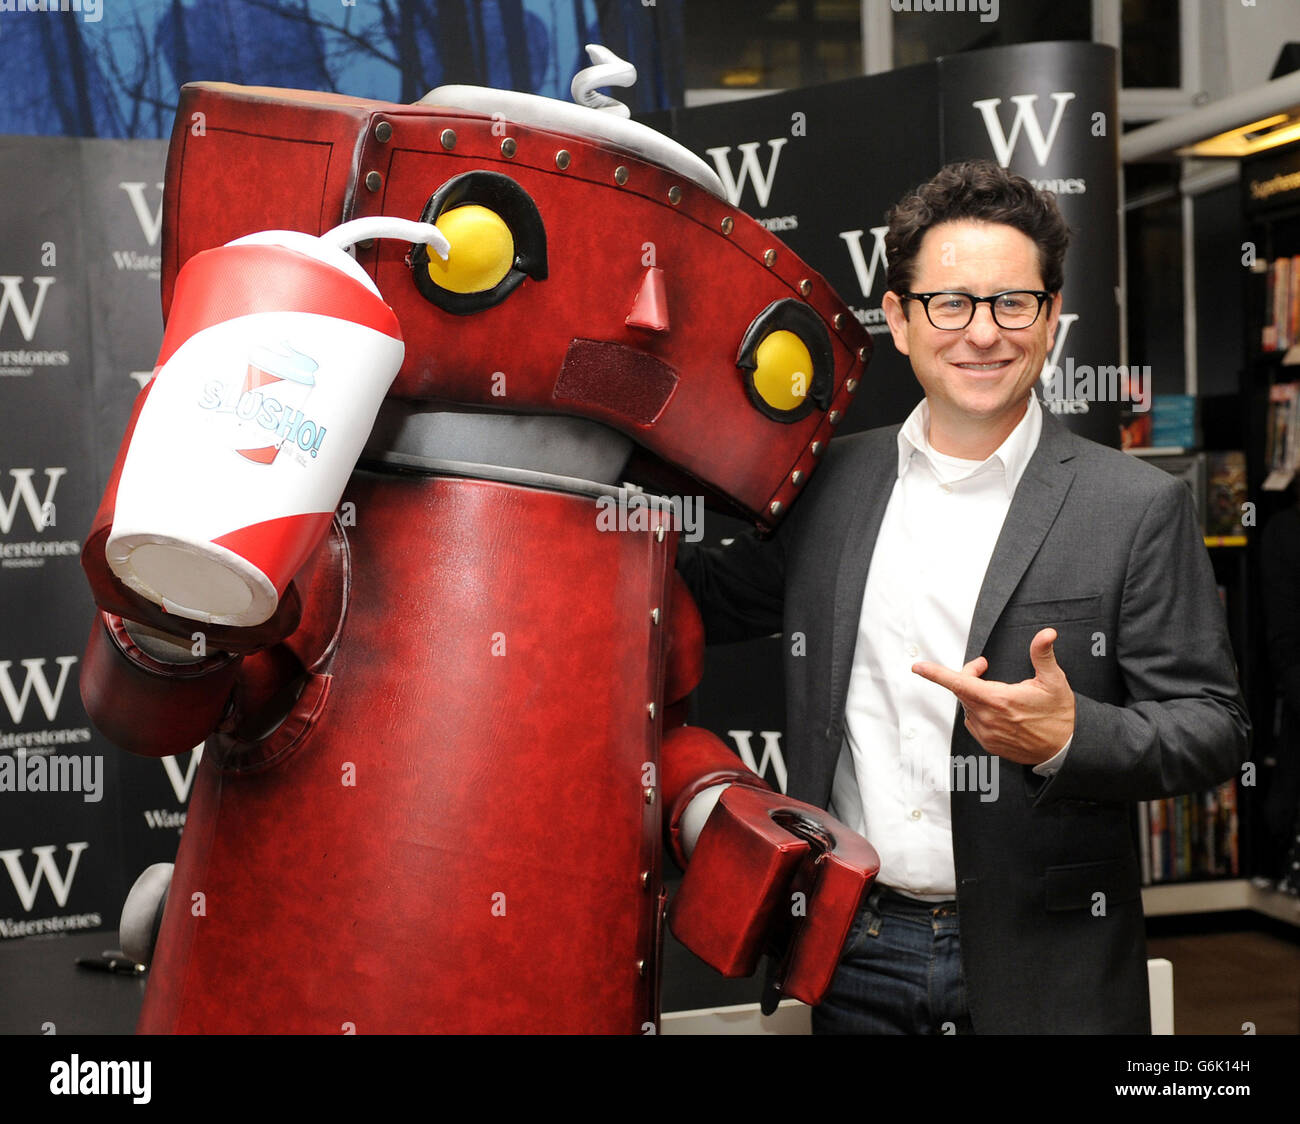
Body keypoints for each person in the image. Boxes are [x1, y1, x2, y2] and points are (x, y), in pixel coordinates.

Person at [677, 160, 1250, 1034]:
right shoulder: (823, 484)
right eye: (950, 303)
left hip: (1047, 964)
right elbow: (696, 600)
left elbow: (1213, 727)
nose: (981, 333)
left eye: (1010, 303)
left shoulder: (1135, 506)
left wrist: (1070, 737)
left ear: (1050, 318)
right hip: (851, 949)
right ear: (901, 323)